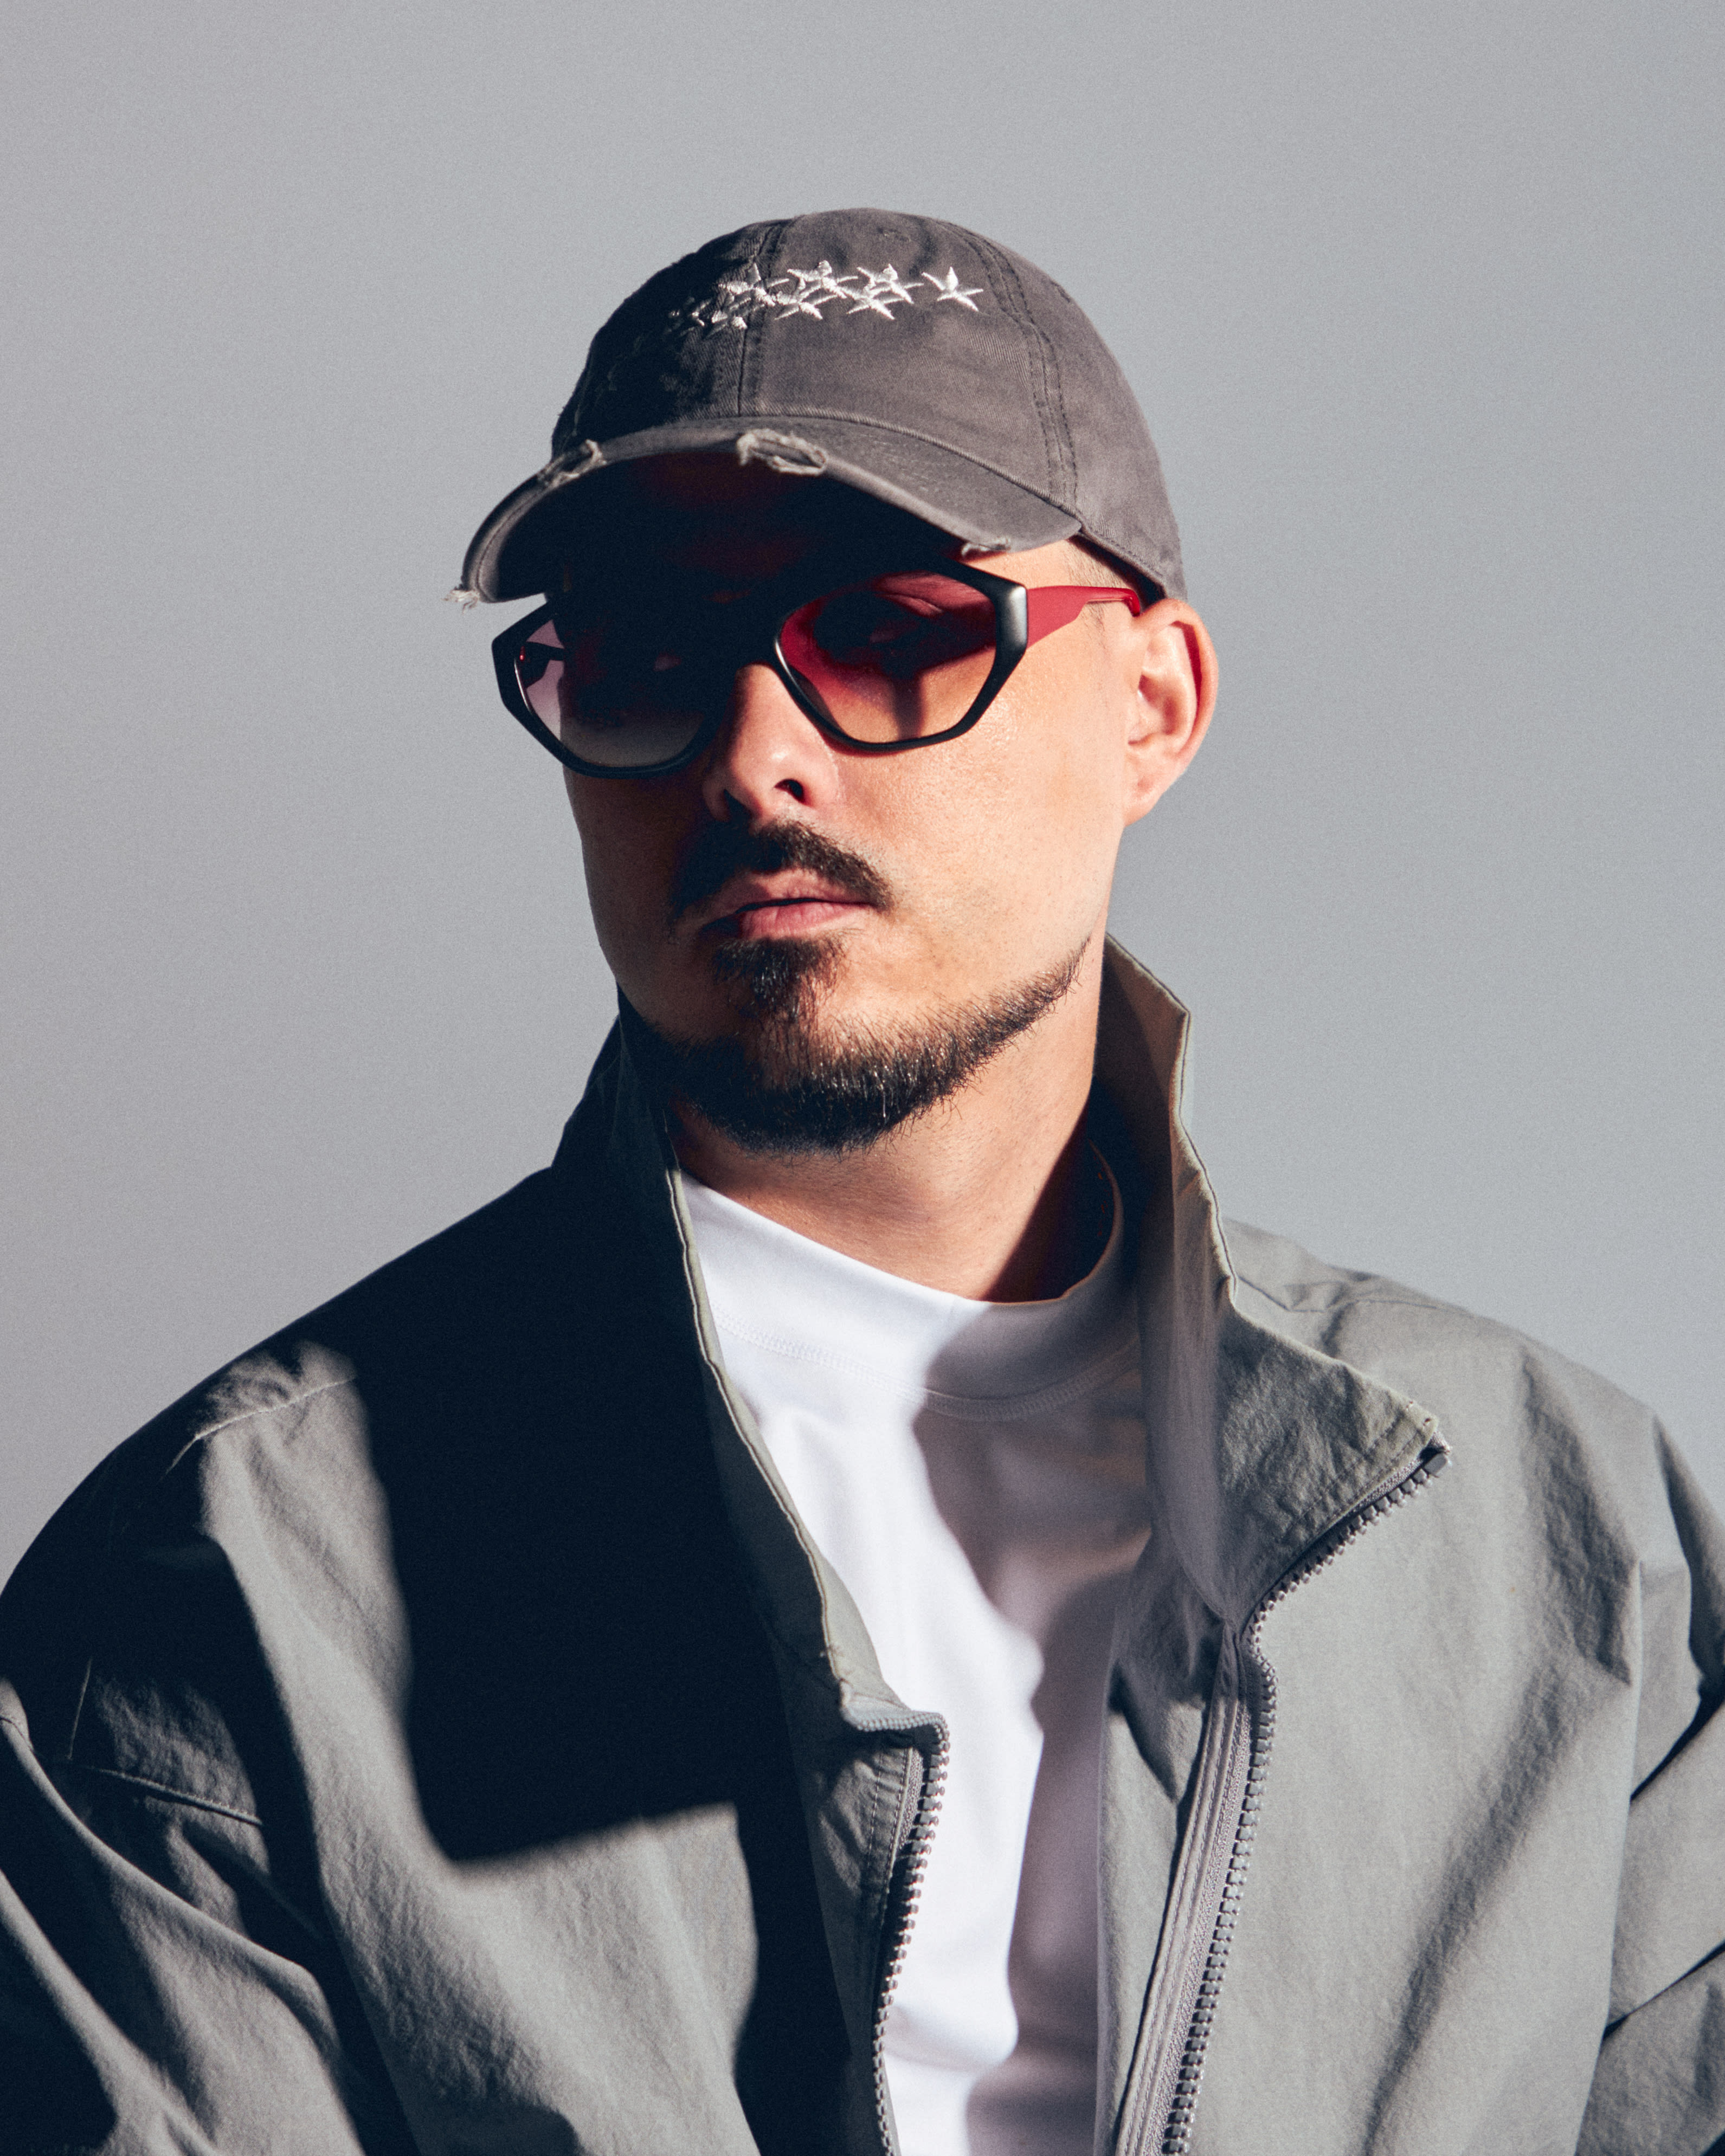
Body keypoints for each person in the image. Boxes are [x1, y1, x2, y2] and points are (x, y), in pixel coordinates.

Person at [0, 208, 1718, 2156]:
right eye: (646, 652)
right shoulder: (229, 1591)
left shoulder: (1571, 1543)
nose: (754, 758)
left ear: (1152, 704)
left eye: (895, 633)